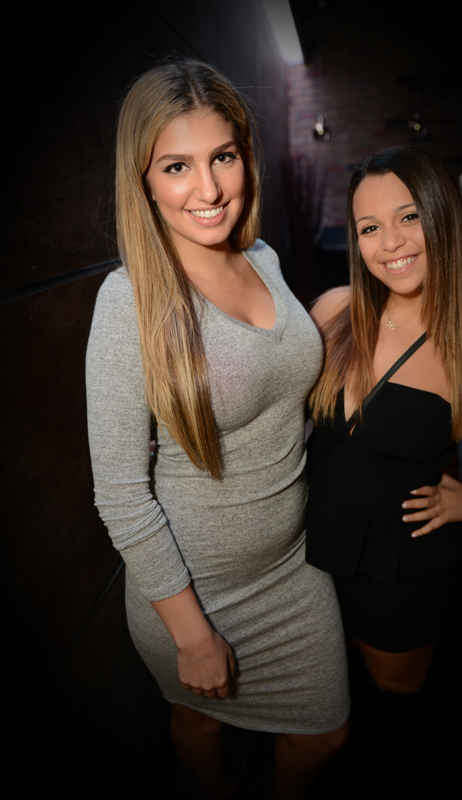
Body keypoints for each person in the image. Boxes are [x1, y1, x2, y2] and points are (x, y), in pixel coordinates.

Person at [86, 59, 350, 800]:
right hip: (195, 593)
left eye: (223, 157)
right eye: (177, 166)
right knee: (198, 724)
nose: (208, 189)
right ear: (143, 180)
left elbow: (281, 384)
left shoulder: (263, 259)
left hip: (294, 568)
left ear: (245, 157)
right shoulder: (128, 301)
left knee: (326, 732)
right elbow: (120, 495)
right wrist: (192, 633)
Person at [305, 145, 462, 767]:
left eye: (409, 217)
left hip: (401, 571)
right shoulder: (332, 310)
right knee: (324, 711)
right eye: (369, 227)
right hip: (311, 555)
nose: (390, 243)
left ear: (443, 217)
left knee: (390, 716)